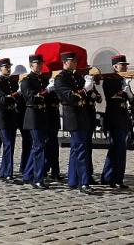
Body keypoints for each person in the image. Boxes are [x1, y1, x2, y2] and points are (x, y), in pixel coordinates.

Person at [54, 52, 95, 194]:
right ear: (65, 62)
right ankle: (84, 182)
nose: (76, 62)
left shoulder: (77, 76)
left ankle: (72, 180)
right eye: (73, 60)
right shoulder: (60, 79)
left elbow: (88, 94)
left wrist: (91, 87)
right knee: (81, 149)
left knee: (76, 149)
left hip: (82, 115)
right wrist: (85, 89)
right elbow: (70, 96)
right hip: (72, 117)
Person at [101, 55, 134, 189]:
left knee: (120, 149)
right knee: (117, 148)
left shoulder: (123, 80)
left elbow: (133, 101)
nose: (125, 67)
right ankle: (112, 178)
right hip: (114, 117)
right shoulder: (109, 80)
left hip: (123, 118)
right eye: (122, 65)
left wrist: (130, 95)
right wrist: (123, 91)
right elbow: (110, 96)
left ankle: (114, 177)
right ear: (115, 66)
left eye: (126, 65)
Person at [20, 54, 48, 189]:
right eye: (37, 64)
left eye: (41, 63)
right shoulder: (27, 80)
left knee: (37, 147)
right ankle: (38, 179)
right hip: (32, 116)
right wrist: (46, 91)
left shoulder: (41, 79)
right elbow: (30, 98)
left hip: (41, 116)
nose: (40, 65)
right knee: (39, 146)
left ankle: (27, 175)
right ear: (31, 65)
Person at [0, 57, 20, 183]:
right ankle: (7, 173)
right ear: (0, 68)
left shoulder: (12, 82)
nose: (8, 69)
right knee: (7, 144)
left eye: (9, 67)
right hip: (2, 116)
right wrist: (15, 95)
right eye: (6, 67)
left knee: (11, 145)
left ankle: (4, 171)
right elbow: (1, 99)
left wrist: (13, 97)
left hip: (11, 116)